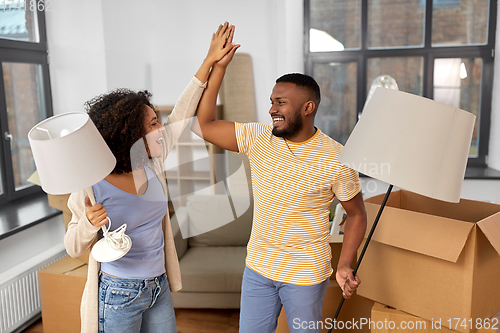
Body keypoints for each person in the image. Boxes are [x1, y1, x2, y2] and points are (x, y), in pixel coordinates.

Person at [193, 24, 368, 333]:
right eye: (272, 101)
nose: (272, 109)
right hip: (257, 269)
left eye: (281, 103)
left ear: (308, 107)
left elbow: (356, 214)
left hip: (306, 276)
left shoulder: (337, 157)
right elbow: (203, 125)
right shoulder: (259, 137)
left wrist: (344, 264)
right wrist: (217, 66)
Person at [64, 23, 234, 333]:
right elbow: (73, 247)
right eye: (153, 124)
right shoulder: (91, 182)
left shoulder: (151, 160)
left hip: (158, 287)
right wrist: (89, 222)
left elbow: (183, 112)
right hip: (119, 292)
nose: (161, 129)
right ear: (128, 134)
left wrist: (210, 62)